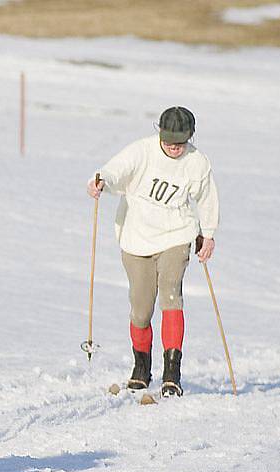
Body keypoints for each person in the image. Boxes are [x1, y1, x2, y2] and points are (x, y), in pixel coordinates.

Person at [86, 106, 219, 397]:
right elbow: (113, 171)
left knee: (171, 294)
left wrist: (207, 233)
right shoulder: (142, 152)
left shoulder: (197, 163)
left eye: (180, 142)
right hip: (136, 238)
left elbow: (207, 198)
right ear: (159, 133)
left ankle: (172, 373)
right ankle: (141, 368)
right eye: (169, 140)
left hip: (176, 236)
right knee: (141, 308)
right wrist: (101, 181)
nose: (174, 147)